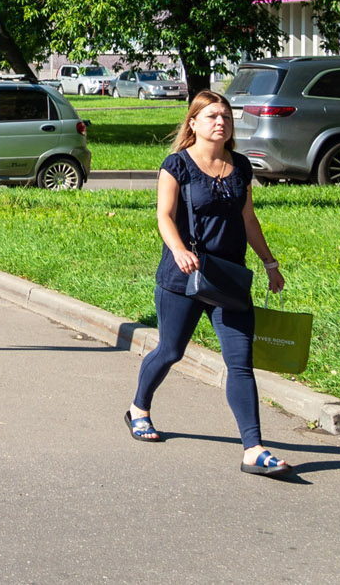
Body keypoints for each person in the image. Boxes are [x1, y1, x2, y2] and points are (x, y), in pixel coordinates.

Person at [126, 90, 290, 475]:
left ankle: (253, 449)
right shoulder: (177, 165)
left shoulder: (241, 167)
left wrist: (270, 263)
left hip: (228, 278)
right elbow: (164, 215)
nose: (221, 122)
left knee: (241, 362)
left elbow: (248, 219)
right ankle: (138, 408)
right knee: (170, 351)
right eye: (213, 116)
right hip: (182, 277)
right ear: (193, 123)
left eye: (226, 117)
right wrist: (179, 250)